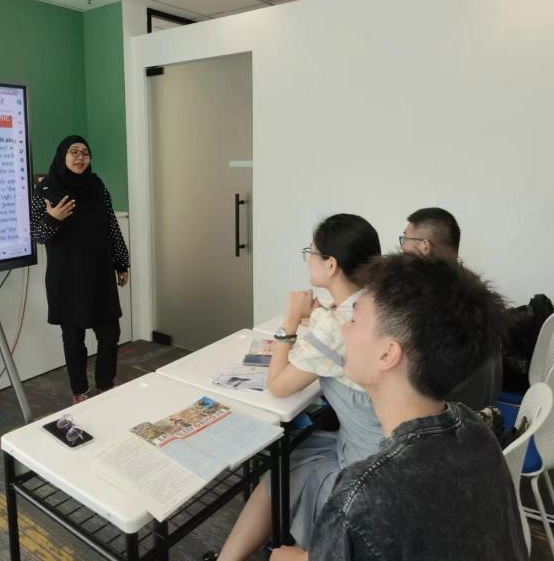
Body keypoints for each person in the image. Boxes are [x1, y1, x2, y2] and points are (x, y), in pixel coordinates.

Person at [271, 254, 529, 561]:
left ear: (387, 354)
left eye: (353, 320)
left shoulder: (363, 494)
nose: (344, 330)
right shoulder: (476, 430)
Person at [211, 214, 384, 561]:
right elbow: (335, 327)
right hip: (384, 444)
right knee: (286, 461)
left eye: (311, 252)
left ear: (331, 265)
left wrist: (289, 322)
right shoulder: (375, 301)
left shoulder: (337, 327)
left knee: (283, 465)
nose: (308, 259)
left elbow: (278, 386)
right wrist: (318, 314)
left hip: (366, 464)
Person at [31, 136, 129, 404]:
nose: (80, 157)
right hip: (67, 278)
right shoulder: (46, 189)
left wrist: (122, 262)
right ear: (62, 155)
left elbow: (111, 225)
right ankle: (80, 392)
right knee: (74, 339)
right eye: (73, 152)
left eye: (85, 153)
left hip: (99, 273)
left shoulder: (96, 185)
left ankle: (105, 386)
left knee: (110, 334)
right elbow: (37, 235)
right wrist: (53, 218)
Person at [400, 206, 500, 409]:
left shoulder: (434, 295)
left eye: (405, 239)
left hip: (457, 408)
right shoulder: (469, 283)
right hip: (485, 397)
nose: (402, 248)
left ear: (424, 246)